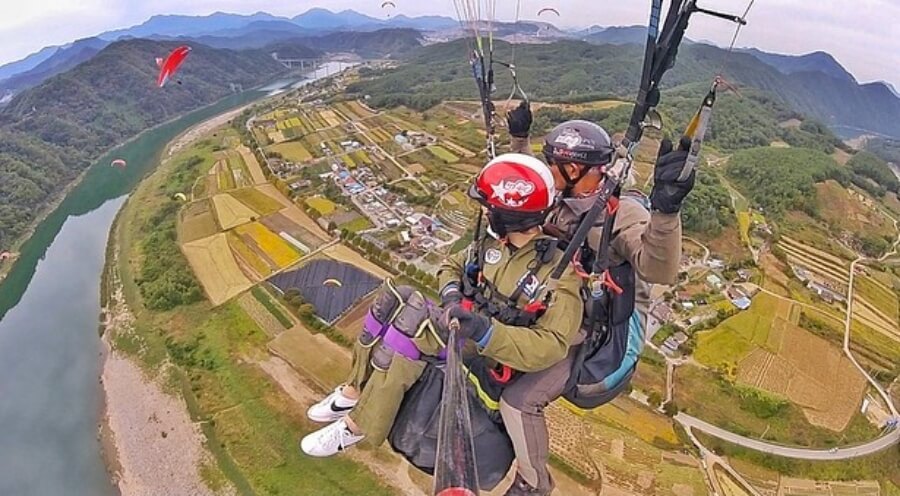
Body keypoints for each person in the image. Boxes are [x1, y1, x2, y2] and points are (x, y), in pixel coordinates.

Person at [299, 153, 585, 476]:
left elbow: (551, 345)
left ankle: (357, 425)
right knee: (395, 296)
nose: (484, 212)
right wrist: (451, 292)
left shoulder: (558, 274)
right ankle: (353, 389)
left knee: (414, 321)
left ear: (510, 214)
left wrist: (485, 331)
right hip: (465, 332)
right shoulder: (493, 247)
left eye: (489, 207)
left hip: (492, 357)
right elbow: (449, 265)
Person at [482, 103, 696, 495]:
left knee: (518, 400)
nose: (547, 170)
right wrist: (519, 141)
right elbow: (531, 191)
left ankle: (533, 483)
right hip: (555, 308)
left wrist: (667, 211)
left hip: (593, 333)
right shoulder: (562, 195)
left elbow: (658, 268)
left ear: (577, 170)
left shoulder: (620, 214)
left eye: (554, 164)